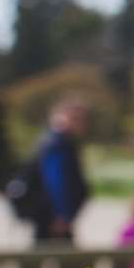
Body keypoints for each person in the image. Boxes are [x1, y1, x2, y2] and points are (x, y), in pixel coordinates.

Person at [34, 98, 90, 245]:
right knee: (65, 260)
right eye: (76, 118)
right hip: (54, 215)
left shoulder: (54, 141)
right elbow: (56, 181)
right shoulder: (57, 144)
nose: (81, 124)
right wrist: (62, 214)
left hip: (53, 213)